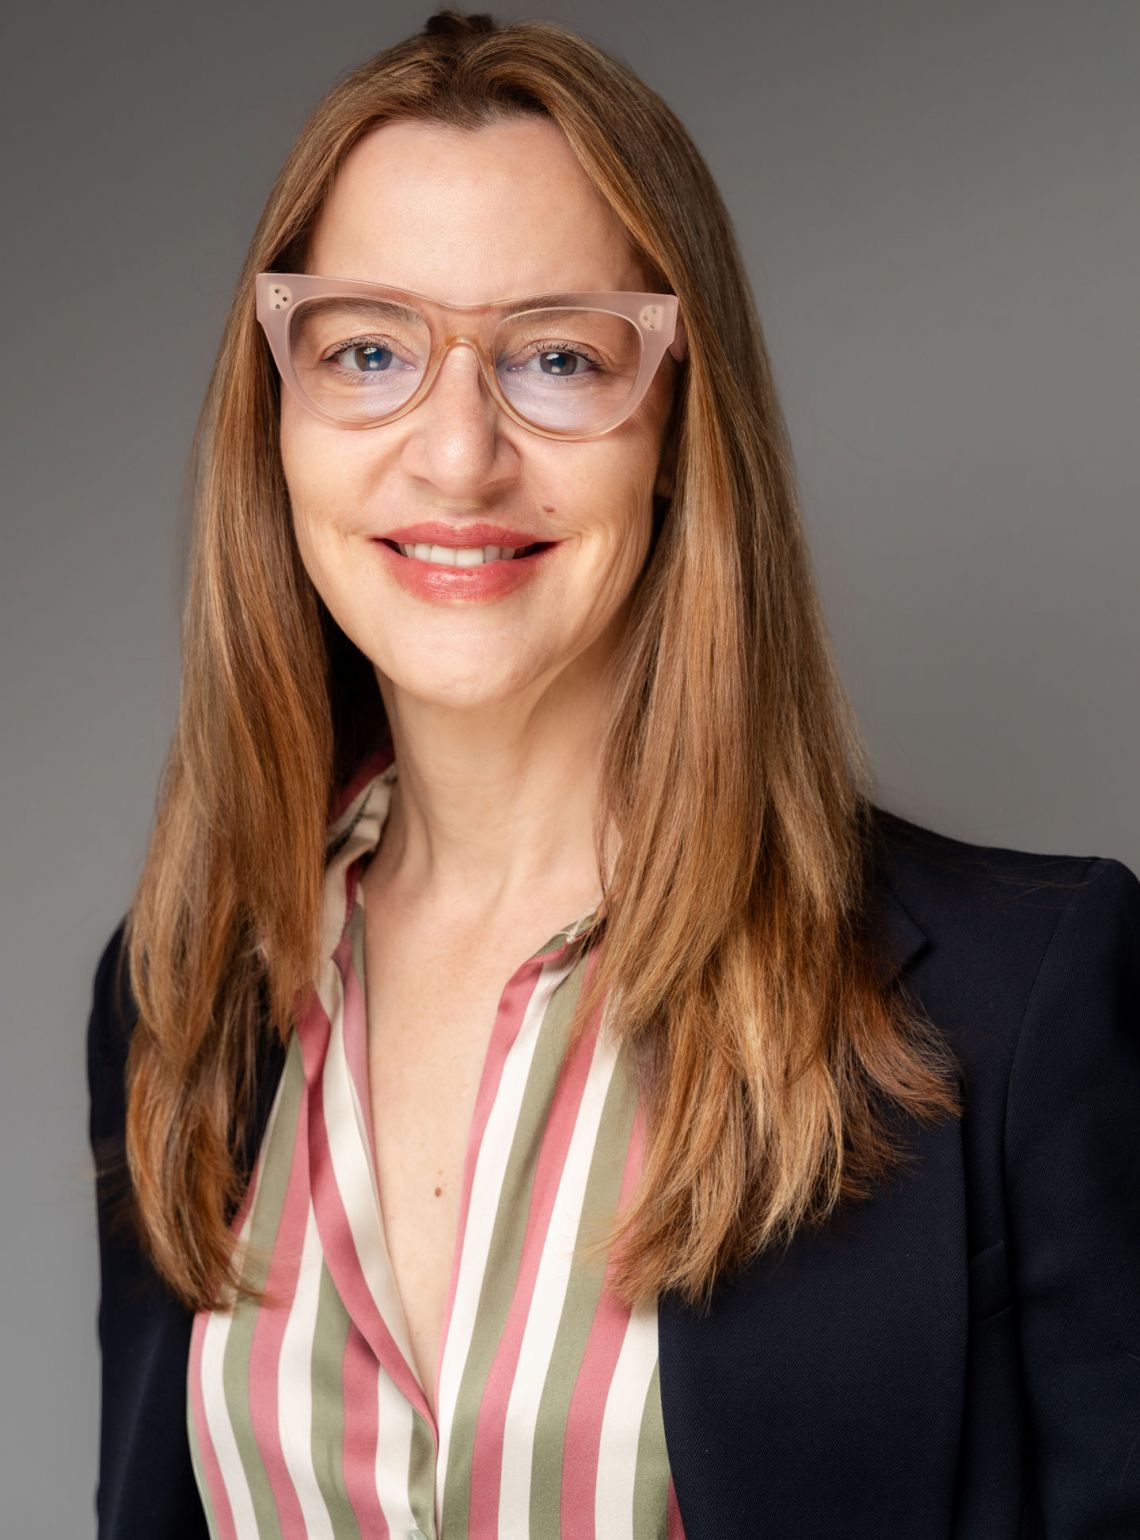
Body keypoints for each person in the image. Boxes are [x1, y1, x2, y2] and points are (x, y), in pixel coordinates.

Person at [86, 9, 1140, 1539]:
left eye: (560, 357)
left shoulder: (1011, 1008)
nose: (458, 455)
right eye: (369, 351)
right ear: (278, 417)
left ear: (679, 427)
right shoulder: (180, 992)